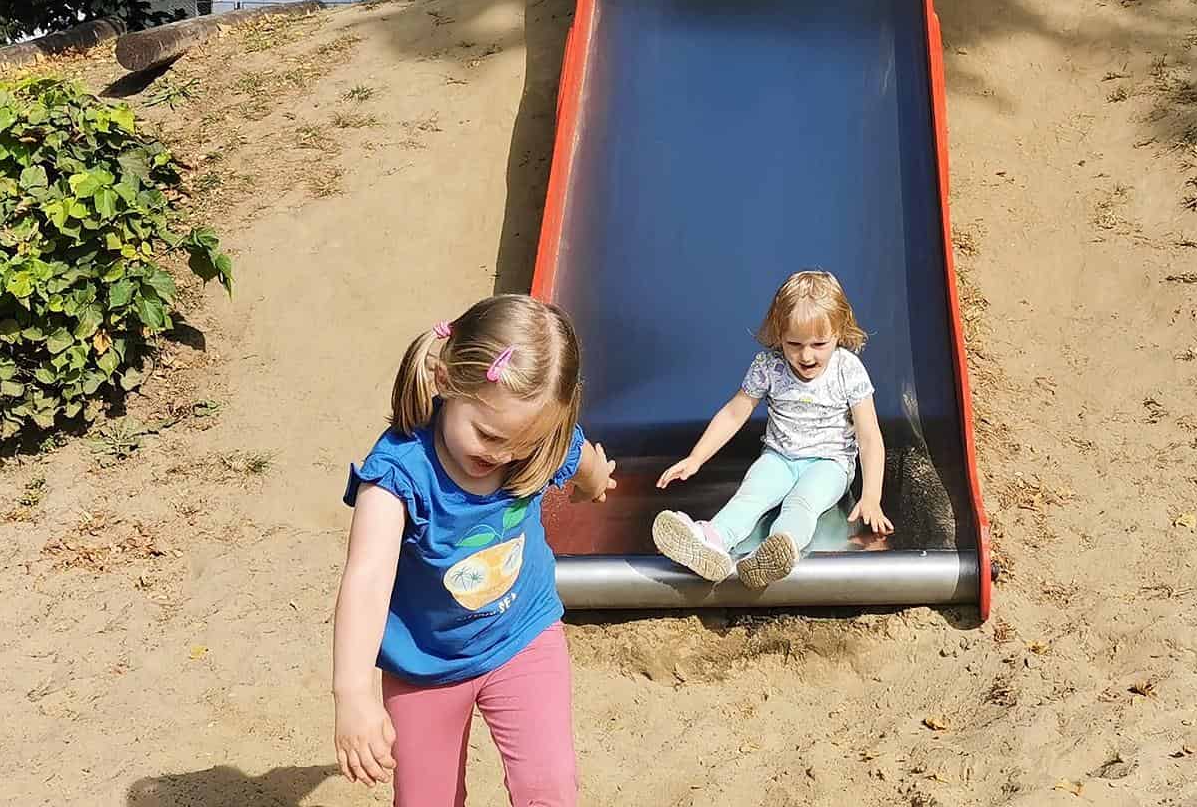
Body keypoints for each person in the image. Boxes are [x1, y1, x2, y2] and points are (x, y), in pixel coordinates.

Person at [332, 295, 617, 806]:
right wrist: (353, 694)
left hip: (522, 635)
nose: (504, 455)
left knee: (549, 787)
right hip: (426, 663)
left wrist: (595, 482)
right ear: (446, 381)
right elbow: (367, 579)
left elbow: (579, 457)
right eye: (488, 435)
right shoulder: (398, 476)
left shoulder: (534, 444)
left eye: (523, 445)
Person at [651, 271, 891, 589]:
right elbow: (734, 413)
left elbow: (869, 436)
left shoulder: (847, 369)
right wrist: (697, 457)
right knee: (751, 496)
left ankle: (777, 550)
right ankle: (710, 540)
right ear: (779, 334)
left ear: (839, 331)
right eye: (794, 344)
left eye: (819, 344)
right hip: (779, 457)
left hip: (830, 463)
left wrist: (872, 495)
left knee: (802, 502)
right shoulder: (769, 366)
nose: (806, 355)